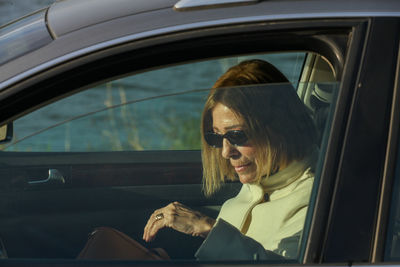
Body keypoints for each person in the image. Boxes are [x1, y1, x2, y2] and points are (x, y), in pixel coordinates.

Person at [78, 59, 318, 261]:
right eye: (216, 137)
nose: (225, 152)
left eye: (237, 135)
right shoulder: (254, 188)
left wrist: (205, 227)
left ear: (277, 128)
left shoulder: (317, 202)